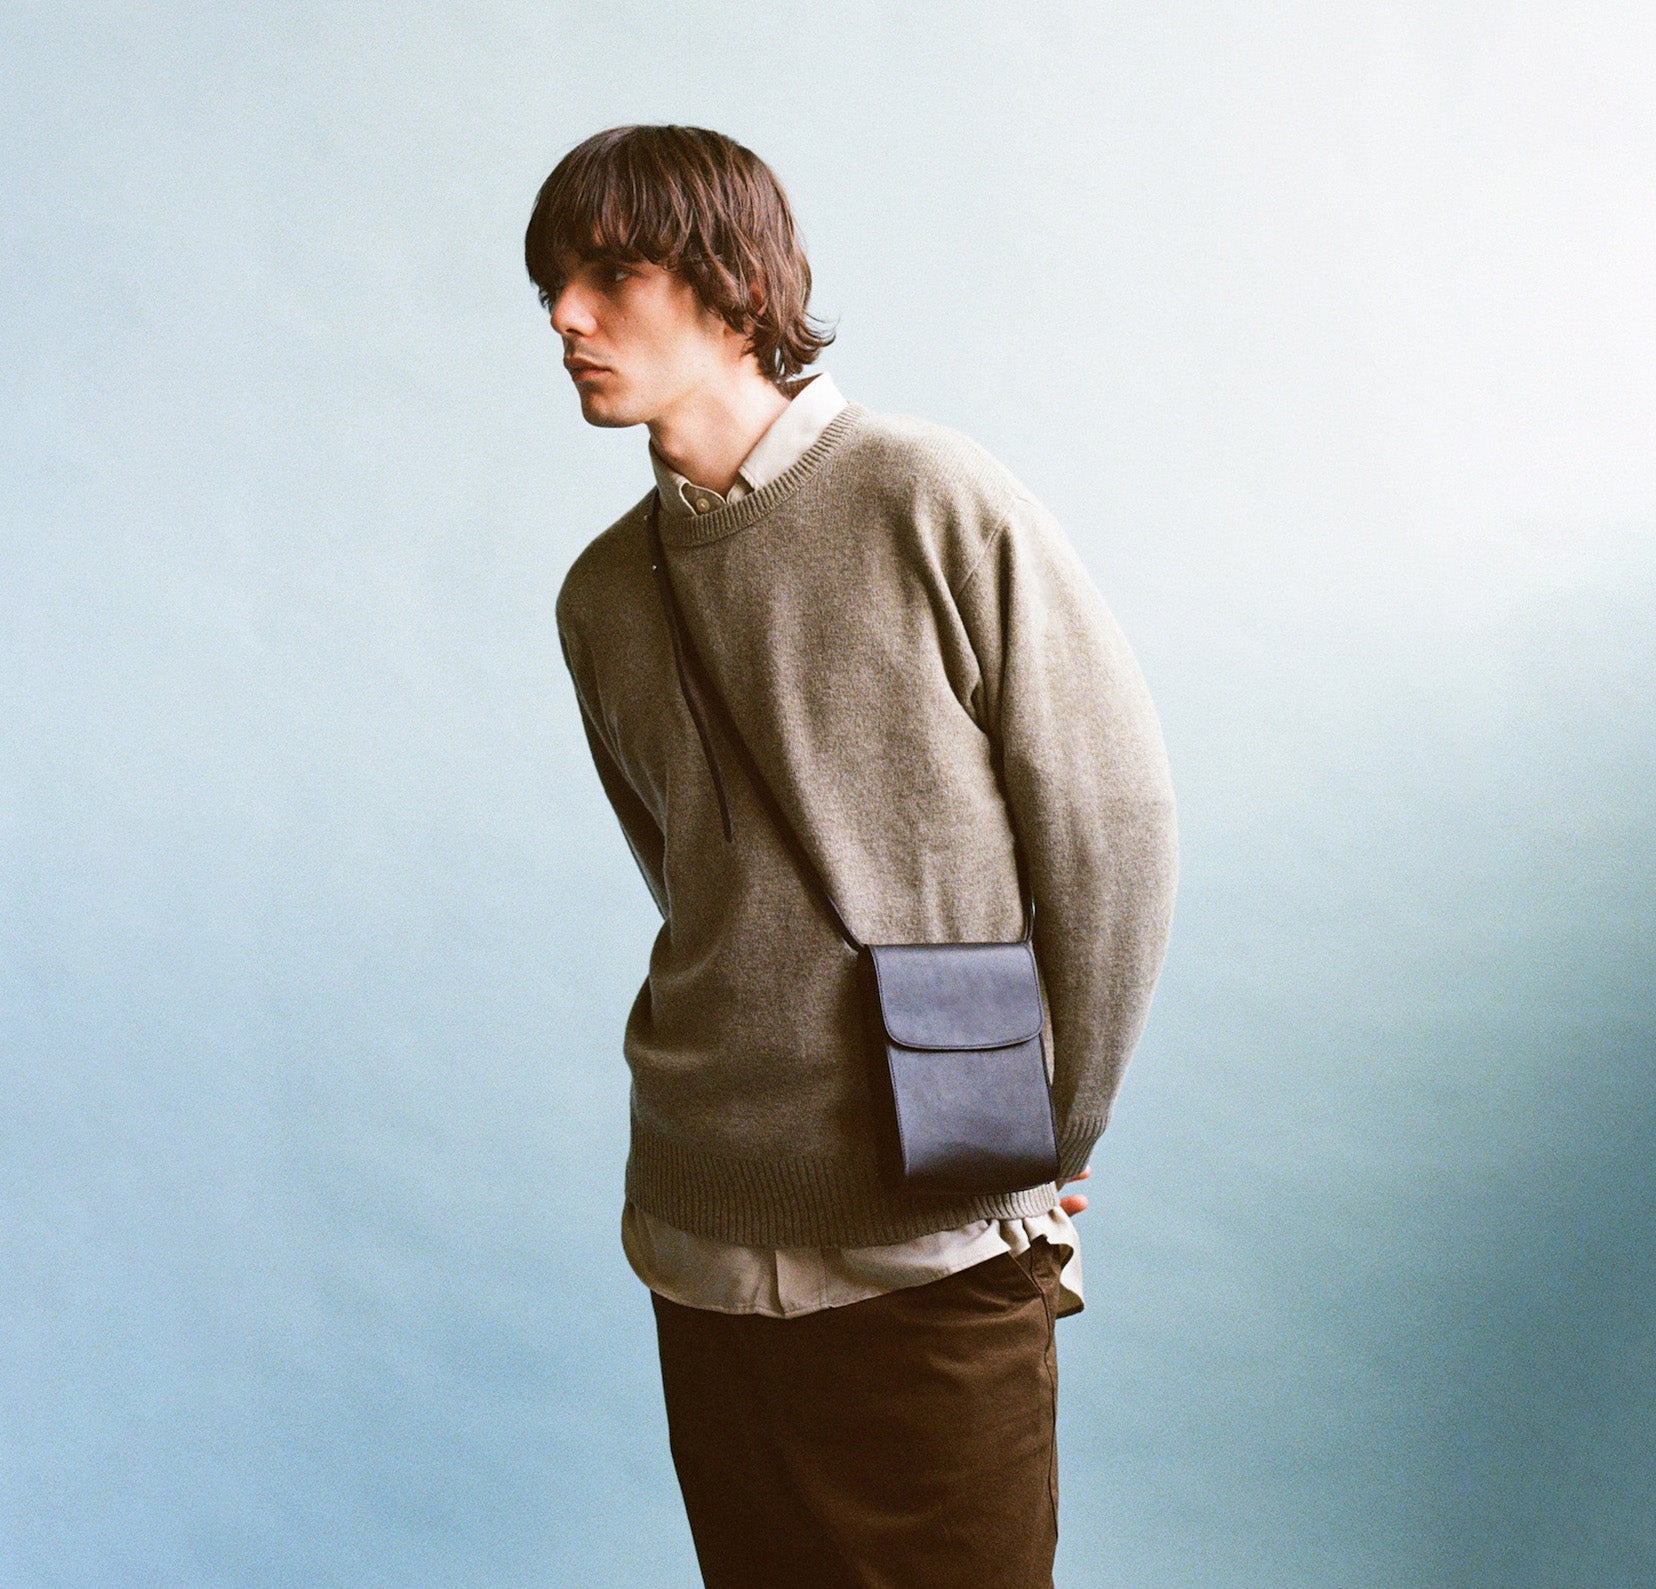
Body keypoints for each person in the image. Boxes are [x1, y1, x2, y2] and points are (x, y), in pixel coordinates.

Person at [525, 123, 1177, 1588]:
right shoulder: (600, 597)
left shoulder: (929, 496)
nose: (564, 316)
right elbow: (690, 879)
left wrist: (1054, 1129)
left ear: (735, 286)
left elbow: (1113, 831)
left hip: (932, 1232)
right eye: (550, 283)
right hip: (699, 1229)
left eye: (609, 275)